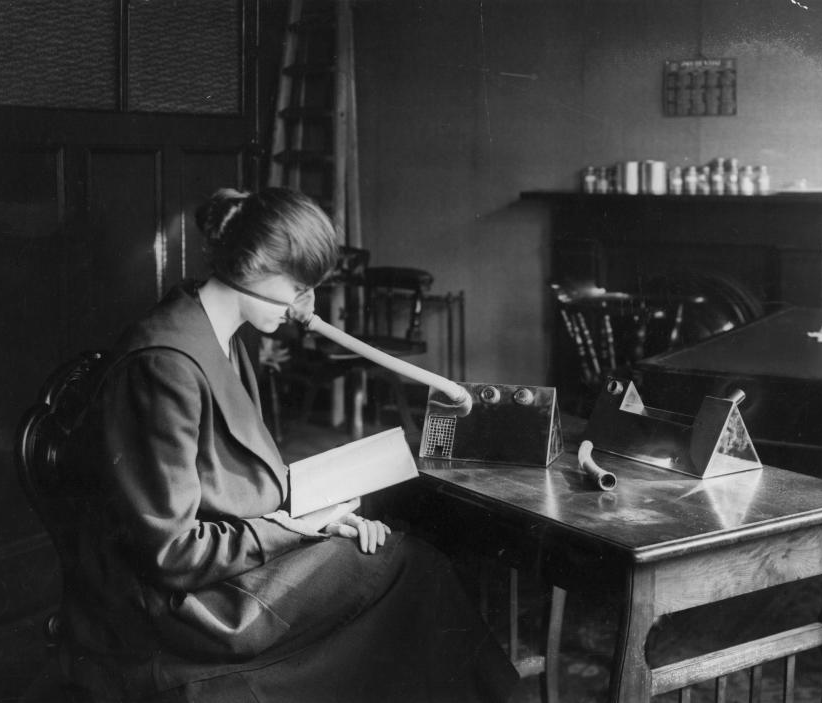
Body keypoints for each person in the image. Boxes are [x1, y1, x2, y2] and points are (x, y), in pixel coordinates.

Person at [61, 187, 518, 702]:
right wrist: (295, 529)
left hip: (226, 562)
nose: (308, 307)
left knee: (402, 561)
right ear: (252, 266)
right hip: (181, 606)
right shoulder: (164, 362)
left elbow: (232, 483)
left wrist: (322, 516)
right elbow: (171, 551)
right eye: (299, 285)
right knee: (414, 570)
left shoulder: (222, 336)